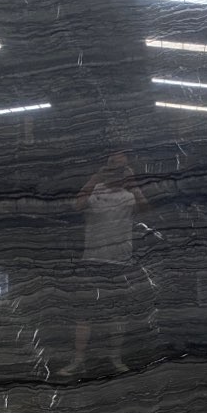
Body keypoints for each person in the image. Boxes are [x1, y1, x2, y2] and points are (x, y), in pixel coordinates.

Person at [59, 153, 148, 377]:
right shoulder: (95, 190)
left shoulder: (129, 195)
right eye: (114, 166)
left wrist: (134, 184)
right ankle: (78, 361)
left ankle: (115, 359)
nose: (118, 171)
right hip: (92, 261)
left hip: (120, 262)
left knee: (118, 315)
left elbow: (146, 209)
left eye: (122, 167)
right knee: (84, 314)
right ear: (106, 167)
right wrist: (95, 177)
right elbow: (77, 205)